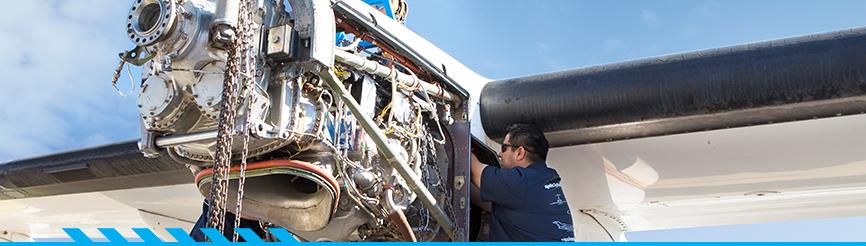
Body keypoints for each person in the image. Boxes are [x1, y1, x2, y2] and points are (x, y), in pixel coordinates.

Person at [471, 123, 575, 242]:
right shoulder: (543, 180)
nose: (500, 154)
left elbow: (476, 172)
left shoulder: (522, 181)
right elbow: (493, 204)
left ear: (519, 152)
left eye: (504, 148)